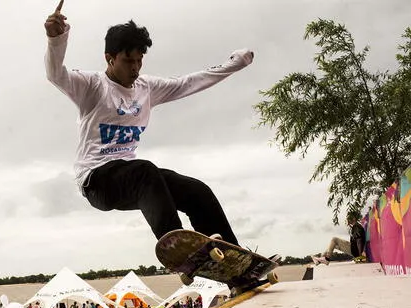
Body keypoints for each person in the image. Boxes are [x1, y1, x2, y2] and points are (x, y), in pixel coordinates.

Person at [44, 1, 261, 252]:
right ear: (110, 58)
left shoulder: (146, 88)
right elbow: (56, 75)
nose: (135, 68)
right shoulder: (92, 86)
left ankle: (235, 262)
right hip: (97, 181)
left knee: (197, 191)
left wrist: (234, 64)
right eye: (128, 61)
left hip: (132, 178)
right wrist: (55, 40)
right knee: (146, 171)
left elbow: (188, 83)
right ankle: (179, 251)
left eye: (139, 60)